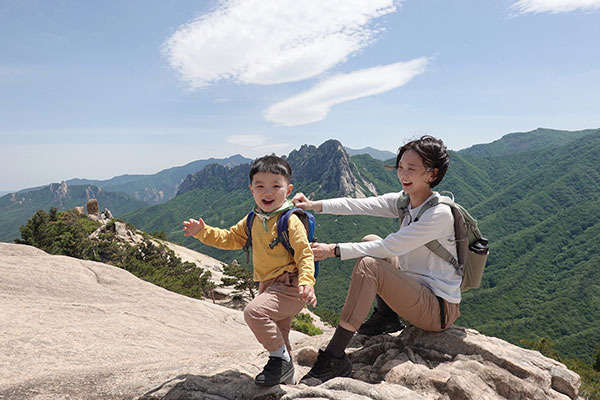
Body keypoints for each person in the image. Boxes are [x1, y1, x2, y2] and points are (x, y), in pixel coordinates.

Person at [292, 135, 461, 386]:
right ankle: (387, 316)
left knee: (369, 264)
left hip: (437, 310)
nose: (403, 174)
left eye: (411, 169)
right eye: (400, 167)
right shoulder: (407, 202)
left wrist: (333, 250)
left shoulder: (439, 214)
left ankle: (335, 357)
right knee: (370, 237)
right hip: (416, 291)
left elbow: (390, 246)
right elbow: (359, 204)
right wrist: (313, 205)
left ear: (432, 175)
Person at [183, 155, 317, 387]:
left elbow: (304, 253)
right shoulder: (253, 219)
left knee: (254, 313)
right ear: (251, 190)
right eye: (260, 186)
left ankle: (280, 361)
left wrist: (307, 281)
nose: (268, 192)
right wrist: (202, 232)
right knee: (281, 337)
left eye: (276, 186)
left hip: (290, 287)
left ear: (288, 189)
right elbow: (230, 238)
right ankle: (287, 383)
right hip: (268, 286)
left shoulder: (290, 220)